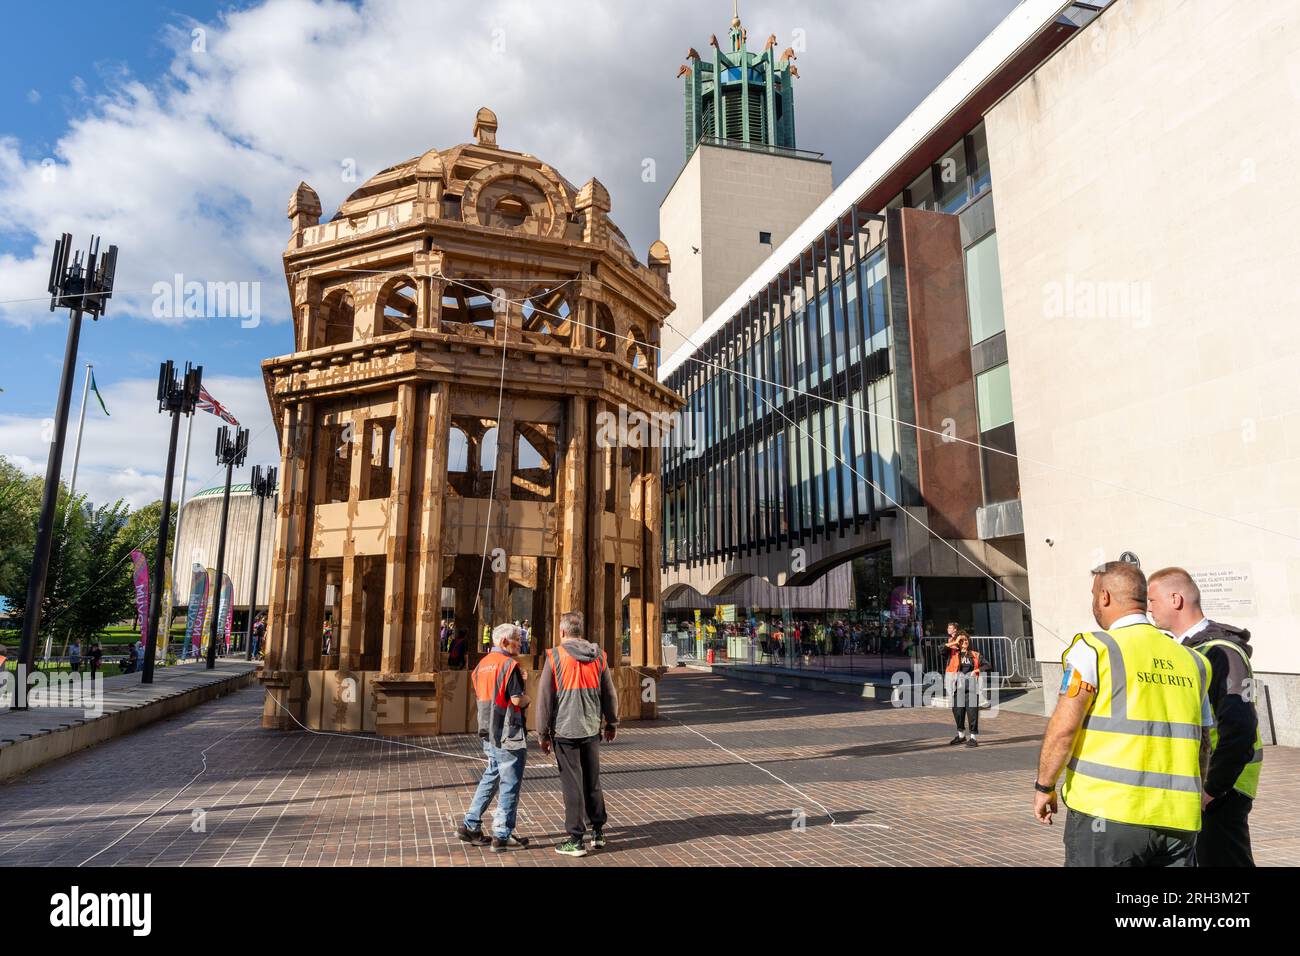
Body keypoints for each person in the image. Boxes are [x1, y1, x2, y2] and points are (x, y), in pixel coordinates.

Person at [1033, 559, 1214, 867]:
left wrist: (1044, 786)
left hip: (1108, 814)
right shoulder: (1194, 661)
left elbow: (1065, 728)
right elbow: (1204, 741)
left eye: (1094, 595)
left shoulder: (1093, 649)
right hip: (1178, 821)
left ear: (1104, 597)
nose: (1094, 602)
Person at [1149, 566, 1262, 867]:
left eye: (1152, 600)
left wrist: (1211, 790)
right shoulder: (1189, 651)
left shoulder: (1221, 652)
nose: (1148, 609)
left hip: (1222, 789)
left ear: (1175, 599)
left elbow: (1240, 729)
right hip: (1205, 786)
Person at [537, 610, 618, 858]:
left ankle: (575, 838)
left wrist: (542, 733)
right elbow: (610, 694)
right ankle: (598, 831)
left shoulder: (555, 656)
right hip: (591, 727)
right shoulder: (599, 656)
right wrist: (611, 722)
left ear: (562, 632)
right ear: (580, 631)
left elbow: (545, 699)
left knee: (572, 784)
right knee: (592, 780)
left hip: (565, 729)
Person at [457, 622, 531, 852]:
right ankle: (502, 833)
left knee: (492, 774)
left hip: (488, 730)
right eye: (516, 639)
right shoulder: (510, 665)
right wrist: (529, 697)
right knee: (510, 781)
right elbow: (517, 699)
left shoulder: (482, 665)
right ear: (503, 642)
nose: (520, 643)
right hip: (509, 731)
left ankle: (470, 824)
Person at [944, 629, 982, 747]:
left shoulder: (974, 654)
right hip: (957, 688)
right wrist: (956, 641)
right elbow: (942, 648)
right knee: (958, 712)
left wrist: (977, 670)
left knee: (972, 714)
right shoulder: (953, 654)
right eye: (962, 640)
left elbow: (987, 665)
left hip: (970, 689)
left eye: (966, 640)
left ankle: (973, 738)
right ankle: (961, 736)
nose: (965, 642)